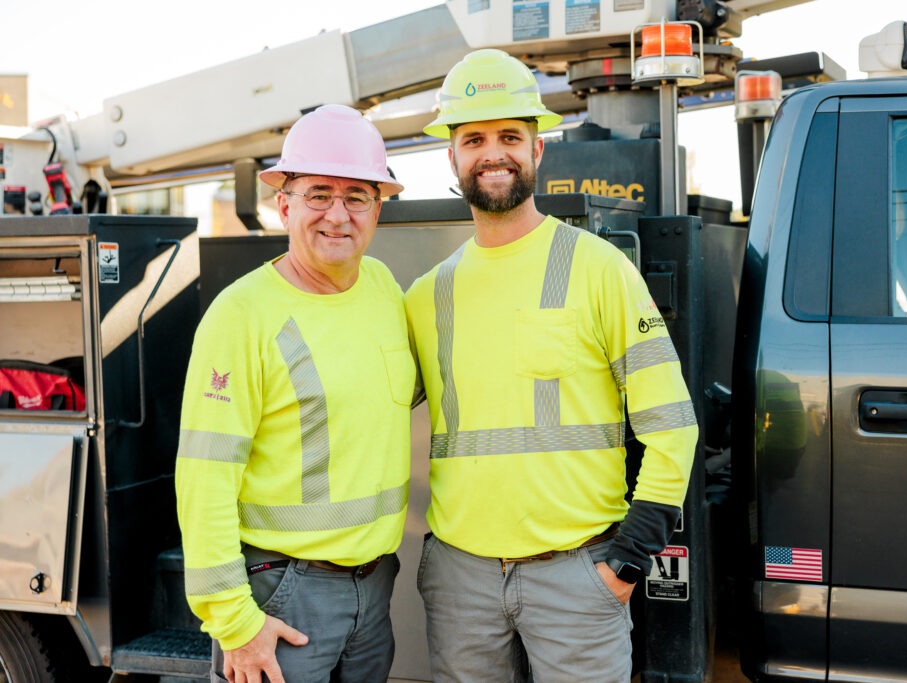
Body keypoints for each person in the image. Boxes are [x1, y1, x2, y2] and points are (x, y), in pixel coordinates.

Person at [404, 49, 700, 682]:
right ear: (451, 157)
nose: (493, 152)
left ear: (538, 151)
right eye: (474, 138)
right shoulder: (426, 295)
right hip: (461, 582)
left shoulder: (600, 269)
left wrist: (629, 560)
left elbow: (672, 422)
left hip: (578, 575)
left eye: (511, 135)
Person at [175, 104, 415, 683]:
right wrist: (234, 621)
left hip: (376, 586)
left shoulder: (383, 288)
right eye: (318, 195)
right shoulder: (241, 315)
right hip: (281, 594)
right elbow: (204, 477)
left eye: (357, 196)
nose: (338, 215)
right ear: (283, 203)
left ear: (379, 207)